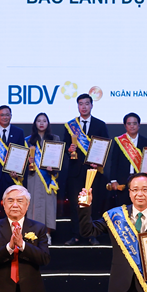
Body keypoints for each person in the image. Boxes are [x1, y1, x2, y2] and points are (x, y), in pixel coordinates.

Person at [62, 93, 109, 245]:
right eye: (81, 104)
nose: (84, 107)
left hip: (93, 171)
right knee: (75, 204)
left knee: (93, 204)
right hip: (75, 172)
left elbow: (105, 147)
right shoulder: (71, 125)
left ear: (91, 105)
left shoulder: (100, 125)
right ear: (78, 106)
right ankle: (76, 235)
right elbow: (64, 148)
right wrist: (69, 150)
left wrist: (99, 162)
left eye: (86, 104)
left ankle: (92, 235)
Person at [25, 112, 60, 245]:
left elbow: (59, 159)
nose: (41, 123)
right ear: (35, 123)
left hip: (49, 178)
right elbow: (22, 162)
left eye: (44, 121)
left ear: (48, 123)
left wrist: (54, 168)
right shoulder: (28, 140)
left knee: (48, 206)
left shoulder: (54, 139)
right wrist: (29, 162)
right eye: (38, 121)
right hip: (33, 176)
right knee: (34, 205)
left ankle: (47, 234)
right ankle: (34, 234)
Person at [106, 113, 147, 207]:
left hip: (140, 180)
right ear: (125, 126)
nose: (132, 126)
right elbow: (114, 162)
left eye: (134, 123)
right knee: (124, 209)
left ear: (139, 125)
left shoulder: (146, 141)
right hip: (123, 181)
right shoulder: (119, 141)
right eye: (129, 124)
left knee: (140, 207)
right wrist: (113, 180)